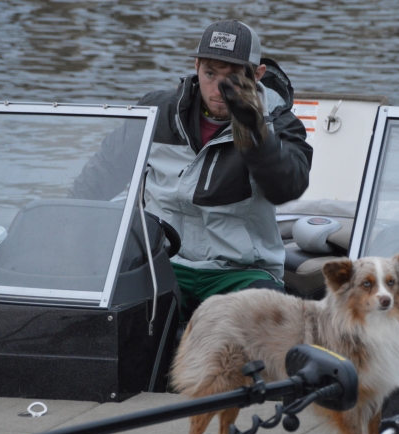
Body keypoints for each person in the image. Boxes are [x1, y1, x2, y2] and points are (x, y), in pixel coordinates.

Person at [72, 19, 312, 319]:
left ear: (258, 74)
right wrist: (64, 226)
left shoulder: (281, 123)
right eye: (210, 73)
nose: (219, 88)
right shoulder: (156, 111)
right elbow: (100, 178)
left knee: (275, 326)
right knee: (94, 318)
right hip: (162, 263)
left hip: (241, 273)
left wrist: (256, 134)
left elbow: (289, 186)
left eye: (233, 77)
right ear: (196, 66)